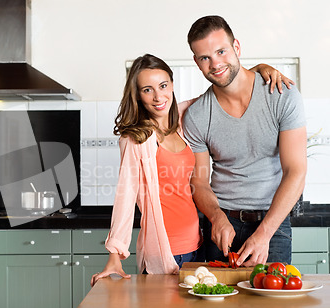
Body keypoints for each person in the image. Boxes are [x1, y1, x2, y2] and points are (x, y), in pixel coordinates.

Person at [90, 53, 291, 287]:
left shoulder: (183, 120)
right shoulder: (136, 139)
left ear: (172, 85)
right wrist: (115, 254)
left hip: (198, 246)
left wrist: (257, 69)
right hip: (165, 253)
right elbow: (125, 196)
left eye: (163, 86)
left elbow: (220, 91)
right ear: (137, 95)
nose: (158, 97)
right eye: (147, 90)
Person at [183, 15, 307, 267]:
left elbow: (296, 171)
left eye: (221, 51)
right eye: (205, 57)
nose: (215, 63)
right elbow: (199, 181)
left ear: (236, 47)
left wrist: (264, 234)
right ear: (197, 62)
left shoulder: (281, 95)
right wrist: (216, 217)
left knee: (272, 305)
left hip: (273, 222)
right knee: (218, 305)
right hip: (222, 225)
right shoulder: (196, 116)